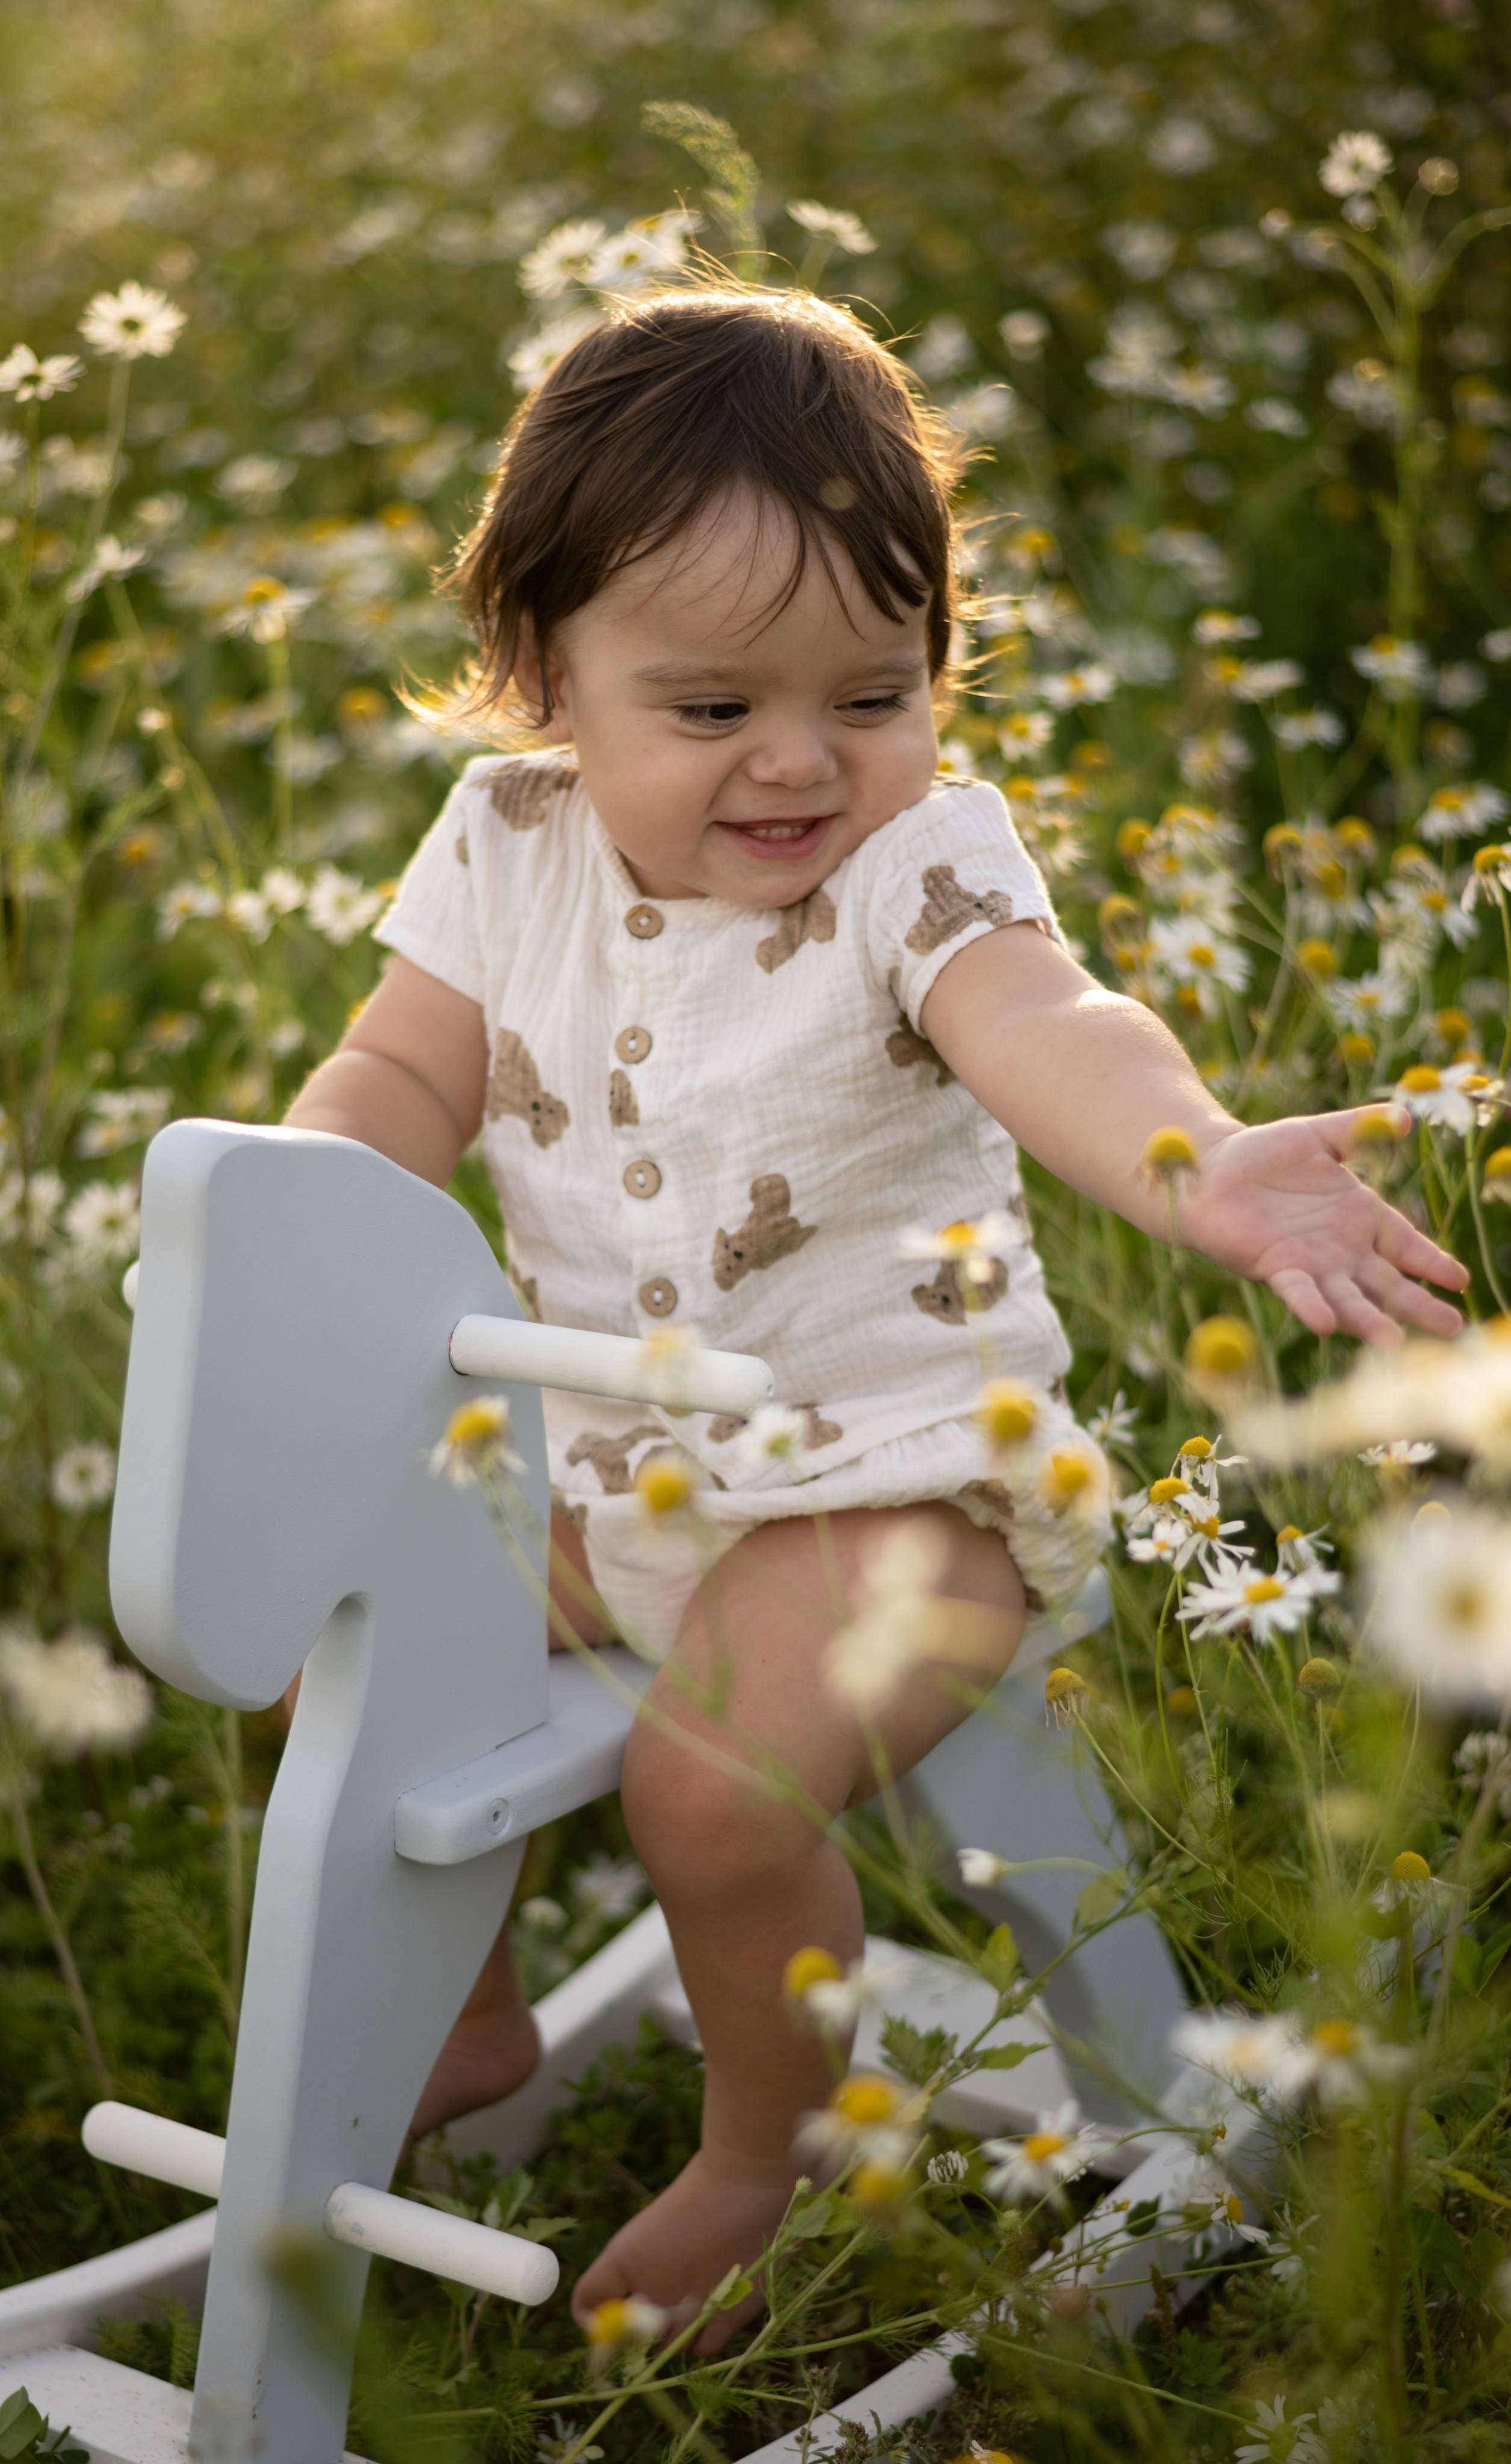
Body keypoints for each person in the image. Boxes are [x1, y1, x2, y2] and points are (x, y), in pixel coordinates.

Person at [285, 284, 1465, 2347]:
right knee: (332, 1610)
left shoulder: (919, 873)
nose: (804, 758)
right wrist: (319, 1202)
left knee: (709, 1795)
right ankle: (465, 2017)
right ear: (546, 676)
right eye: (716, 706)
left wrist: (1193, 1154)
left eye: (873, 688)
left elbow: (1054, 1025)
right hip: (606, 1469)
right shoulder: (502, 850)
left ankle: (772, 2148)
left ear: (934, 673)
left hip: (894, 1489)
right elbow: (401, 1075)